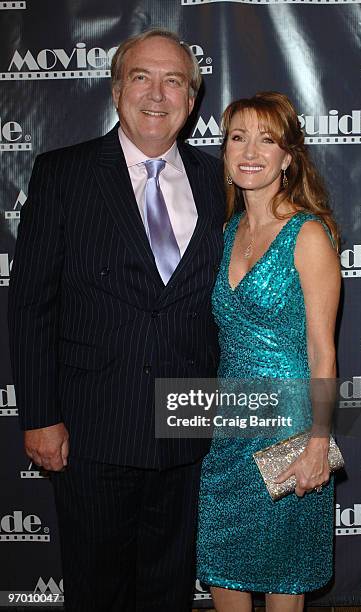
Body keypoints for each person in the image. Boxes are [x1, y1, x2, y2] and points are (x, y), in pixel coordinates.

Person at [8, 29, 224, 612]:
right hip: (91, 432)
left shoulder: (219, 180)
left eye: (174, 81)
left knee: (169, 590)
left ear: (191, 98)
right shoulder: (62, 175)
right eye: (141, 77)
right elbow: (30, 306)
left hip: (187, 434)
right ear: (115, 89)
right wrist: (41, 417)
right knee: (98, 592)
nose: (157, 94)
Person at [197, 92, 341, 612]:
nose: (250, 150)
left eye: (267, 139)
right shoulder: (227, 231)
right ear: (226, 153)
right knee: (222, 568)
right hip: (229, 428)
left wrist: (318, 444)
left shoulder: (309, 235)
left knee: (285, 581)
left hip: (290, 432)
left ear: (287, 157)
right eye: (238, 137)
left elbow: (324, 354)